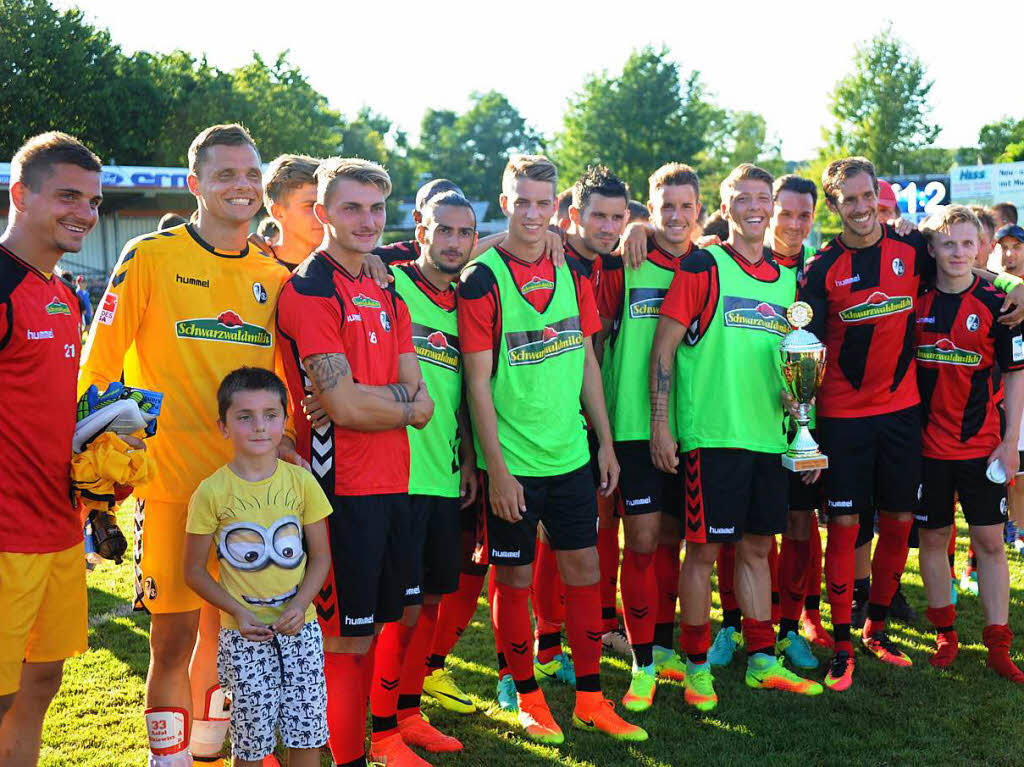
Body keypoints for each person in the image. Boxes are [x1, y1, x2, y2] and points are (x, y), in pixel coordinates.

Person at [78, 123, 301, 765]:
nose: (242, 186)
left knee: (236, 638)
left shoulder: (277, 276)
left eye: (251, 175)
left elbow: (285, 381)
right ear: (195, 184)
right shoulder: (150, 256)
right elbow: (99, 369)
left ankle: (207, 750)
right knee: (172, 643)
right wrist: (100, 472)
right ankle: (167, 760)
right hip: (172, 487)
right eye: (226, 174)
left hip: (250, 493)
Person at [458, 155, 645, 743]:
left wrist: (605, 444)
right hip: (513, 462)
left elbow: (586, 358)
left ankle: (591, 697)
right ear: (505, 199)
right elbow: (476, 385)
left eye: (544, 202)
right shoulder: (482, 276)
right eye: (523, 201)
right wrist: (498, 469)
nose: (533, 213)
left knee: (585, 567)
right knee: (512, 582)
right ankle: (529, 697)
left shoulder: (573, 269)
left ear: (557, 207)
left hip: (571, 454)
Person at [275, 157, 434, 767]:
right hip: (336, 488)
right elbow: (342, 404)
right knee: (341, 642)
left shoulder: (384, 287)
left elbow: (419, 398)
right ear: (322, 214)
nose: (366, 221)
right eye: (351, 208)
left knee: (367, 634)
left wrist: (375, 402)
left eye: (375, 209)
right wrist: (384, 402)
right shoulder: (311, 289)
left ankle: (363, 748)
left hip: (394, 480)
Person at [649, 163, 822, 713]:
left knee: (756, 548)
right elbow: (663, 350)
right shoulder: (705, 264)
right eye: (742, 198)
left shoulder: (789, 280)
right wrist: (660, 424)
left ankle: (762, 660)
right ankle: (697, 666)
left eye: (762, 198)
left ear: (771, 206)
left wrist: (803, 434)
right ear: (726, 208)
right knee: (702, 552)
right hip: (713, 437)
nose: (755, 207)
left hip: (769, 441)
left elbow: (793, 366)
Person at [0, 131, 101, 766]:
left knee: (41, 683)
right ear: (20, 195)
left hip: (61, 530)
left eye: (92, 201)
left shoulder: (66, 294)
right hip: (4, 537)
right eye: (67, 196)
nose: (84, 213)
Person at [183, 367, 332, 767]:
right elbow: (194, 571)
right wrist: (237, 611)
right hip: (243, 636)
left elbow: (321, 557)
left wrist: (301, 605)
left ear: (285, 422)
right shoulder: (211, 492)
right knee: (251, 742)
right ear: (224, 426)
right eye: (244, 416)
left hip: (301, 630)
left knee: (307, 733)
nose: (259, 426)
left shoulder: (302, 483)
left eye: (270, 415)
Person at [597, 162, 699, 708]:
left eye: (686, 206)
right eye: (666, 207)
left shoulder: (711, 267)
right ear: (650, 211)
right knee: (637, 540)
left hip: (697, 427)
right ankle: (641, 661)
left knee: (675, 543)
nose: (676, 216)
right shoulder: (625, 261)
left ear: (701, 211)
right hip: (634, 426)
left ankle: (663, 646)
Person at [913, 206, 1024, 684]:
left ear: (981, 247)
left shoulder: (1000, 303)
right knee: (934, 540)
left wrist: (1010, 442)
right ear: (933, 248)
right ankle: (946, 633)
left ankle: (999, 643)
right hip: (924, 449)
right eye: (947, 244)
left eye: (967, 243)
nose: (957, 252)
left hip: (982, 446)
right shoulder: (913, 300)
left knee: (989, 543)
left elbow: (1018, 377)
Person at [530, 165, 630, 690]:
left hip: (592, 418)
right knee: (542, 540)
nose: (609, 226)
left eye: (619, 218)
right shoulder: (545, 254)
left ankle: (587, 629)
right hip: (532, 424)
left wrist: (646, 231)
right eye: (598, 216)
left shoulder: (614, 265)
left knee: (586, 531)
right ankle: (542, 643)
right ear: (574, 216)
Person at [259, 154, 323, 268]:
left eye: (326, 204)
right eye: (310, 205)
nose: (322, 213)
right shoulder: (257, 268)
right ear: (278, 212)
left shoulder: (349, 268)